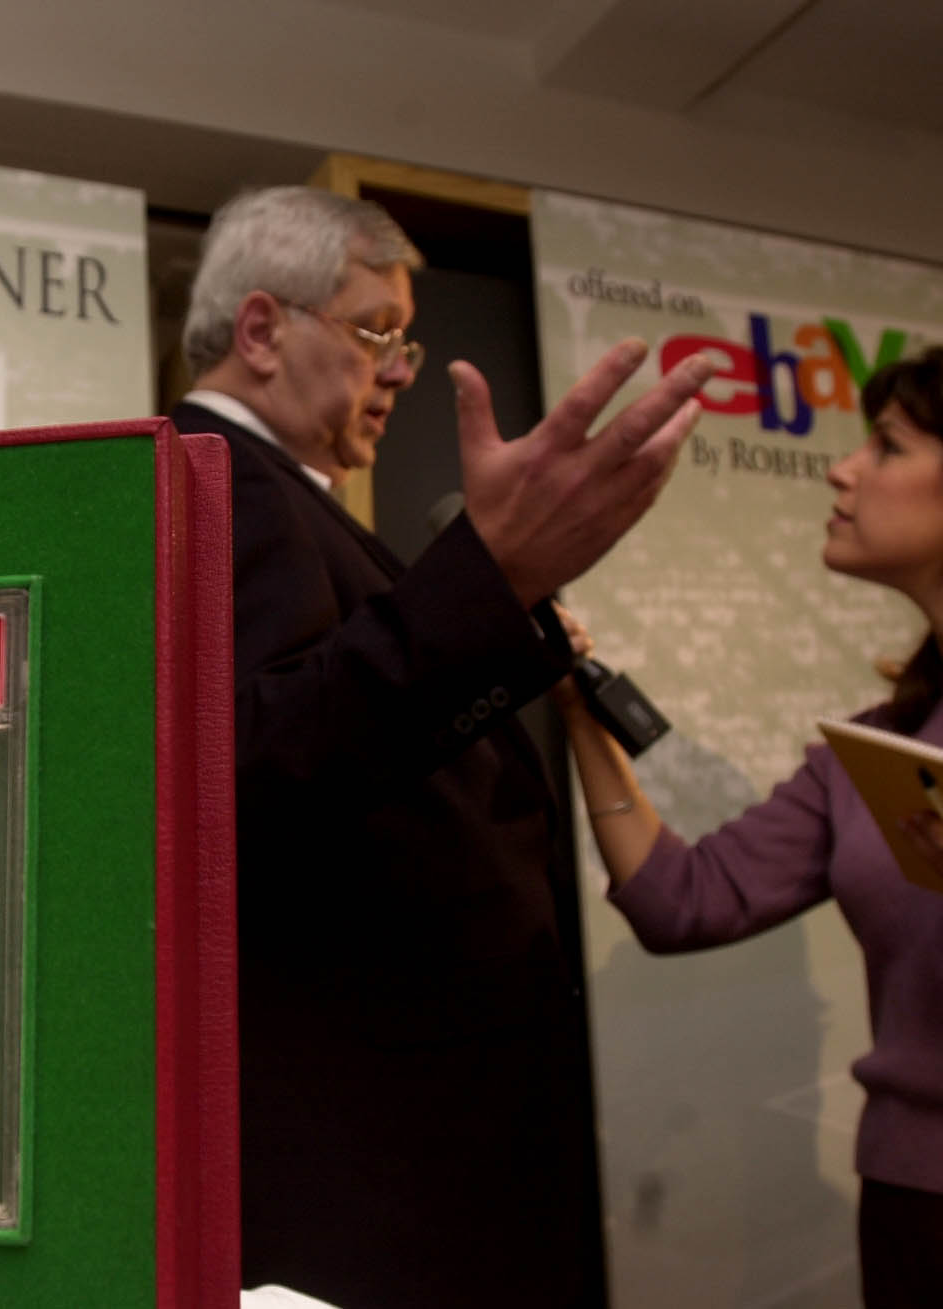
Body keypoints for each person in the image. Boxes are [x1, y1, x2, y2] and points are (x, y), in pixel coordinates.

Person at [170, 185, 715, 1309]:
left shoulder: (288, 495)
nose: (400, 370)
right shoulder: (210, 477)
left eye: (406, 342)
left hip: (412, 1136)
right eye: (376, 332)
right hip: (359, 1153)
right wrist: (489, 578)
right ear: (262, 329)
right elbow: (250, 764)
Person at [555, 348, 943, 1307]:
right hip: (911, 1221)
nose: (843, 469)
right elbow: (681, 901)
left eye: (888, 446)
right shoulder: (873, 753)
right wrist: (577, 713)